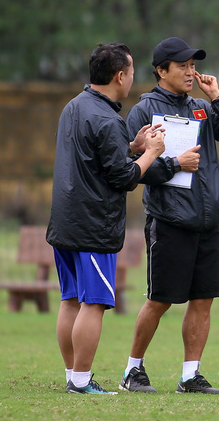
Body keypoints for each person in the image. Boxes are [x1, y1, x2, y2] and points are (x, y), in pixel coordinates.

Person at [120, 37, 219, 395]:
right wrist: (174, 163)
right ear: (161, 70)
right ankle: (133, 371)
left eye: (194, 65)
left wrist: (217, 97)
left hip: (208, 222)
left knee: (203, 298)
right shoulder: (144, 112)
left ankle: (190, 376)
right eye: (183, 66)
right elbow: (132, 169)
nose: (192, 71)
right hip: (170, 220)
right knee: (160, 299)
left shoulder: (200, 108)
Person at [46, 42, 165, 395]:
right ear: (119, 76)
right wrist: (153, 154)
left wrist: (130, 147)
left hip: (64, 222)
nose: (132, 79)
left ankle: (72, 375)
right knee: (94, 303)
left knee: (70, 300)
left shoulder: (74, 107)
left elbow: (94, 156)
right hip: (93, 227)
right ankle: (82, 381)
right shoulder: (109, 118)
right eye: (130, 73)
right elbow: (125, 179)